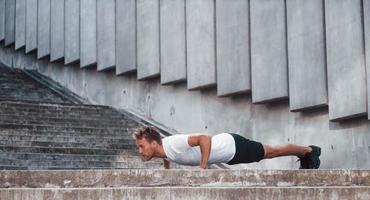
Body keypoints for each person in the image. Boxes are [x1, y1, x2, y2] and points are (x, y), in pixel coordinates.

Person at [132, 126, 321, 169]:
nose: (140, 151)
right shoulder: (162, 150)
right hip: (229, 154)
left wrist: (203, 167)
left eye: (141, 146)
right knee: (270, 152)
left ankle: (309, 151)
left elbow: (204, 138)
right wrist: (167, 172)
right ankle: (306, 153)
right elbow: (167, 157)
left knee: (272, 152)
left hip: (232, 146)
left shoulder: (172, 143)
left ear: (154, 143)